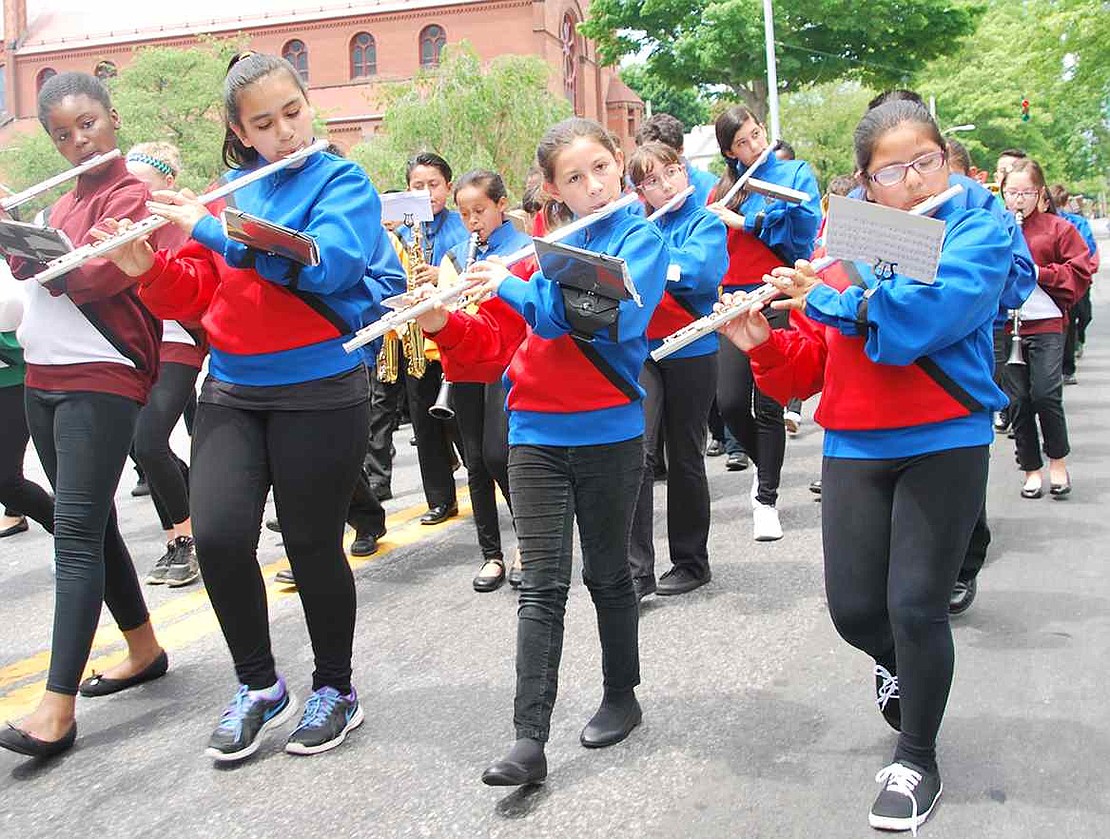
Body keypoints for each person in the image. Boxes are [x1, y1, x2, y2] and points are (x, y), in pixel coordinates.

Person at [94, 52, 406, 762]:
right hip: (232, 387)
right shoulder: (227, 190)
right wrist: (148, 271)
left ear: (308, 103)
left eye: (293, 113)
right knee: (224, 540)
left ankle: (336, 689)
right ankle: (260, 685)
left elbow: (327, 260)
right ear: (241, 130)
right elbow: (199, 296)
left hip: (322, 388)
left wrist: (211, 229)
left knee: (310, 545)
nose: (286, 133)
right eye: (264, 123)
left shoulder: (342, 180)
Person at [719, 100, 1012, 833]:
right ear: (866, 181)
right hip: (855, 438)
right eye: (892, 170)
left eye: (926, 162)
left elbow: (929, 311)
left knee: (916, 603)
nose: (913, 180)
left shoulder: (977, 223)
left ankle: (918, 757)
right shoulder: (845, 235)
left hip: (945, 436)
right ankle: (904, 665)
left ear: (947, 158)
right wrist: (761, 341)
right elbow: (811, 361)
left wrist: (836, 297)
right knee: (856, 609)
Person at [415, 117, 669, 786]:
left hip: (610, 429)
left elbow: (612, 318)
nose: (593, 185)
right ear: (553, 188)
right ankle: (529, 737)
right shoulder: (545, 244)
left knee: (609, 574)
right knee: (543, 586)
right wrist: (443, 313)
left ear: (619, 165)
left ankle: (622, 693)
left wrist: (517, 286)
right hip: (534, 430)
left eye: (601, 169)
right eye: (575, 177)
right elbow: (508, 332)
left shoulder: (640, 236)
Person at [0, 72, 168, 759]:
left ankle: (55, 705)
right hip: (44, 375)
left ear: (113, 118)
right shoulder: (59, 204)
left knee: (71, 533)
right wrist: (23, 240)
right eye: (63, 135)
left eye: (88, 125)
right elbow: (24, 273)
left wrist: (45, 259)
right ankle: (144, 646)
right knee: (91, 526)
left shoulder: (135, 193)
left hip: (101, 376)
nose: (78, 142)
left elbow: (103, 273)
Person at [707, 105, 822, 541]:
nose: (754, 145)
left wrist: (747, 221)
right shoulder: (723, 188)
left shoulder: (794, 173)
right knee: (731, 401)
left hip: (776, 290)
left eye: (756, 134)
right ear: (729, 151)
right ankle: (764, 465)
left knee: (769, 402)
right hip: (734, 299)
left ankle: (766, 498)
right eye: (742, 142)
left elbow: (801, 230)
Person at [625, 141, 725, 598]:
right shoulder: (637, 227)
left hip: (691, 348)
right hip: (644, 349)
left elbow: (701, 272)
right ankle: (636, 571)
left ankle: (691, 560)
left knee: (685, 456)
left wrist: (651, 264)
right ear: (640, 191)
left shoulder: (705, 221)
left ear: (683, 171)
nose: (664, 186)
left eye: (669, 173)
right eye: (650, 181)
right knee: (639, 454)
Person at [443, 169, 533, 592]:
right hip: (466, 361)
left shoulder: (523, 249)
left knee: (501, 454)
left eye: (480, 210)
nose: (473, 220)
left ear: (501, 205)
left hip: (507, 359)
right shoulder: (457, 253)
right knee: (476, 460)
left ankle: (528, 543)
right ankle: (490, 554)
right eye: (464, 214)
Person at [123, 141, 203, 587]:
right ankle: (177, 534)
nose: (128, 192)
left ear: (167, 182)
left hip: (177, 340)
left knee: (149, 440)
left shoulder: (184, 224)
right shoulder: (124, 221)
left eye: (139, 184)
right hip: (136, 345)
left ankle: (187, 540)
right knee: (142, 446)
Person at [1000, 159, 1091, 500]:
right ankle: (1030, 468)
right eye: (1012, 192)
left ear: (1039, 194)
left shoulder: (1058, 229)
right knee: (1018, 400)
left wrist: (1039, 273)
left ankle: (1057, 462)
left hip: (1047, 322)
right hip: (1007, 323)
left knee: (1046, 394)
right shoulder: (996, 230)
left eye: (1026, 192)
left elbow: (1079, 273)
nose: (1018, 199)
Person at [396, 152, 470, 526]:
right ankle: (440, 498)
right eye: (417, 186)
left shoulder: (461, 228)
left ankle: (483, 482)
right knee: (423, 422)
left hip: (454, 335)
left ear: (449, 187)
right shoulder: (401, 232)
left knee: (462, 420)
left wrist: (438, 274)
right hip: (415, 337)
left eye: (434, 185)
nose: (426, 193)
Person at [0, 259, 55, 539]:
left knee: (7, 481)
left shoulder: (9, 275)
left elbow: (22, 336)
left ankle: (70, 534)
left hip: (13, 383)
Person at [1050, 184, 1099, 384]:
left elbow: (1089, 247)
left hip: (1076, 275)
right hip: (1054, 278)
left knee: (1084, 314)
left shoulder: (1075, 223)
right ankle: (1066, 367)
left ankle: (1079, 339)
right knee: (1065, 322)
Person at [634, 112, 718, 206]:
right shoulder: (637, 197)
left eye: (662, 156)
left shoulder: (712, 188)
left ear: (680, 150)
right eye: (645, 153)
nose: (665, 186)